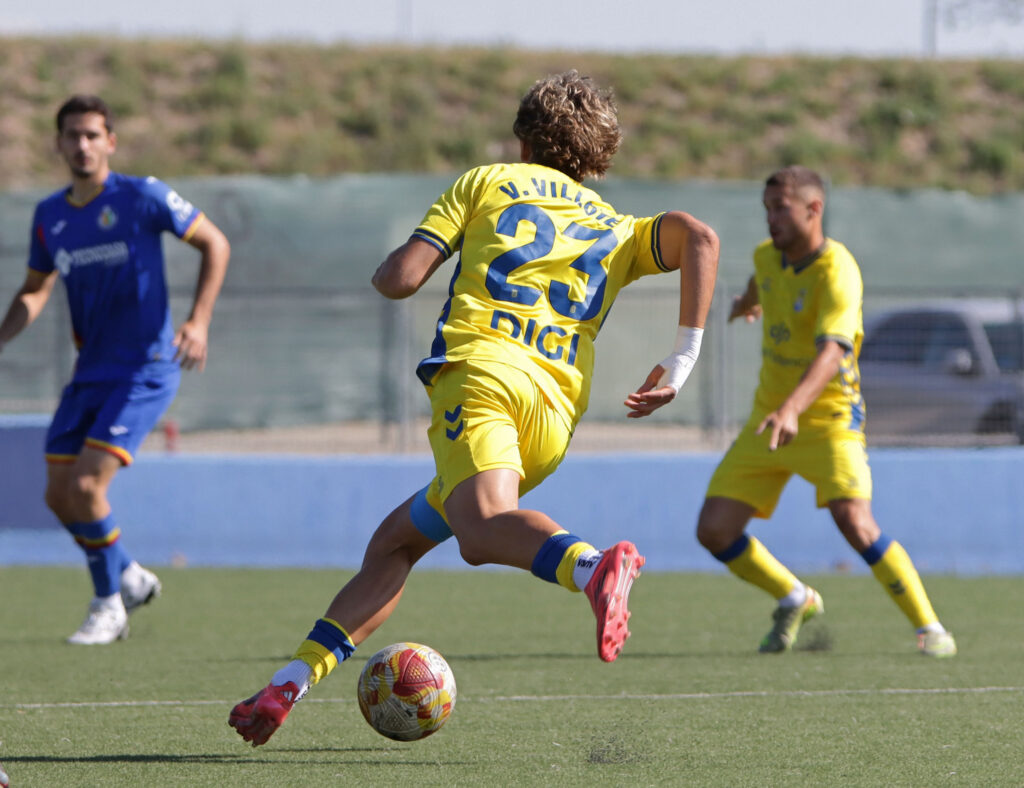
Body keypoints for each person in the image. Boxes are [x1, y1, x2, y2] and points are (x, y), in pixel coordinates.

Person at [228, 69, 720, 746]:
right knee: (396, 541)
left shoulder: (486, 182)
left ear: (523, 140)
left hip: (481, 381)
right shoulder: (617, 227)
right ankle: (289, 682)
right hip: (550, 421)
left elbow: (401, 280)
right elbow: (700, 237)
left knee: (482, 531)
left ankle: (592, 566)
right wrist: (682, 361)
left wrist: (386, 268)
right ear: (602, 156)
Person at [695, 165, 956, 658]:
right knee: (714, 529)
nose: (770, 219)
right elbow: (760, 281)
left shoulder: (838, 269)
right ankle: (795, 597)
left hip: (828, 419)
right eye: (767, 209)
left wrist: (794, 408)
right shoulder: (766, 258)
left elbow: (833, 349)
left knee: (855, 522)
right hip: (769, 421)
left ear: (814, 210)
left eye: (781, 209)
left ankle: (931, 627)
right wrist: (747, 303)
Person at [0, 95, 231, 645]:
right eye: (72, 135)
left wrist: (198, 321)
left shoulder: (141, 195)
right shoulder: (50, 217)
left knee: (85, 485)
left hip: (145, 368)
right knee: (59, 494)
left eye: (91, 134)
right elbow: (35, 290)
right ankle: (127, 571)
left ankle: (108, 604)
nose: (82, 145)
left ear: (111, 141)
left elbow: (214, 242)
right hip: (91, 373)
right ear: (58, 143)